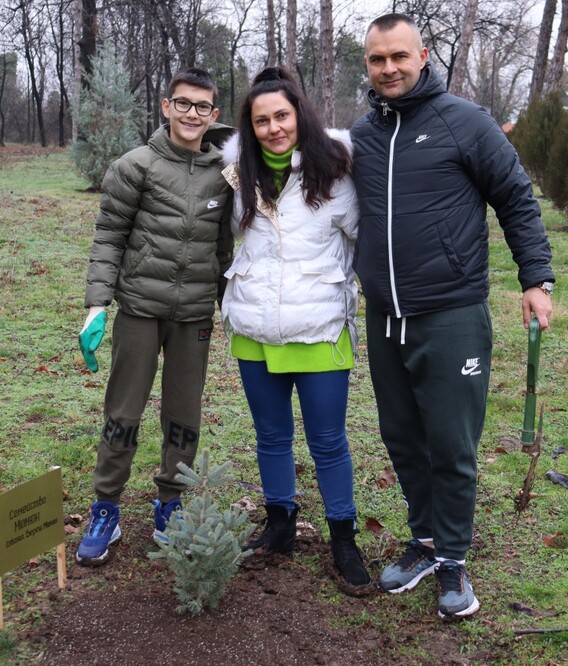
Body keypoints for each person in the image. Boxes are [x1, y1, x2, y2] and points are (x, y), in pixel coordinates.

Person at [350, 14, 555, 618]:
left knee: (451, 441)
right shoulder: (363, 134)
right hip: (386, 316)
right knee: (403, 437)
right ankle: (425, 540)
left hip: (451, 312)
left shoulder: (466, 122)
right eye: (376, 59)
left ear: (423, 55)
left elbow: (516, 197)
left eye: (398, 56)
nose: (388, 68)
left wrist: (535, 278)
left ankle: (454, 561)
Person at [219, 66, 371, 590]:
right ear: (250, 127)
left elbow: (365, 240)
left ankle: (343, 538)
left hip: (319, 325)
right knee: (271, 435)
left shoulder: (337, 169)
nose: (273, 128)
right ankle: (280, 524)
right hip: (255, 324)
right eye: (261, 120)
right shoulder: (239, 173)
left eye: (281, 115)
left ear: (299, 114)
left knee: (328, 440)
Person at [75, 67, 234, 566]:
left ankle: (171, 503)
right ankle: (106, 507)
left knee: (184, 417)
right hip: (140, 311)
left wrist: (233, 303)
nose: (191, 114)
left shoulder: (225, 173)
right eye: (182, 104)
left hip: (194, 317)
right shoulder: (133, 166)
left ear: (214, 114)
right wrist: (96, 305)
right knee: (123, 412)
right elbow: (108, 238)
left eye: (202, 107)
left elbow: (225, 248)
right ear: (166, 107)